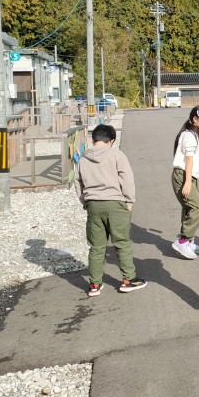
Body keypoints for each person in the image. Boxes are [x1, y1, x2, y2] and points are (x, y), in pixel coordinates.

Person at [75, 124, 147, 296]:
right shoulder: (116, 154)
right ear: (112, 140)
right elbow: (127, 179)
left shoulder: (83, 158)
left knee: (96, 246)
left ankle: (94, 284)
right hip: (115, 203)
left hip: (93, 204)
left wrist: (85, 201)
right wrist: (129, 201)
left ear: (93, 139)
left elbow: (77, 182)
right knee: (121, 243)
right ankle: (128, 279)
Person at [171, 106, 199, 260]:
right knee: (197, 207)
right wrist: (187, 182)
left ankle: (189, 241)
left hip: (189, 176)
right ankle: (183, 241)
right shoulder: (189, 135)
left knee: (189, 207)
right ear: (195, 119)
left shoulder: (193, 133)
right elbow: (188, 159)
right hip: (184, 176)